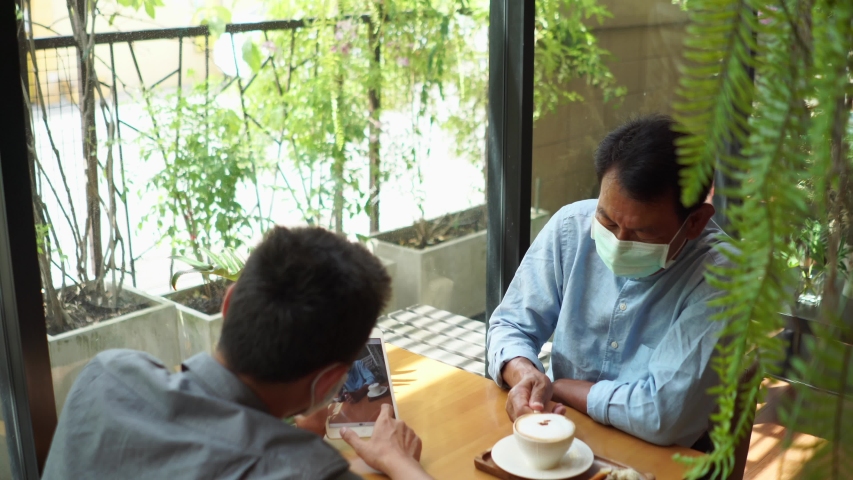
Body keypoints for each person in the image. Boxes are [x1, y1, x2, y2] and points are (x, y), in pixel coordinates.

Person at [43, 226, 433, 480]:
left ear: (228, 305)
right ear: (329, 381)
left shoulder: (107, 375)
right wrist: (399, 462)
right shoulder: (307, 470)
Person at [487, 114, 730, 448]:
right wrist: (525, 375)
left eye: (642, 232)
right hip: (564, 430)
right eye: (607, 220)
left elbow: (663, 415)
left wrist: (558, 388)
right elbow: (510, 324)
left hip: (665, 457)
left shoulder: (720, 275)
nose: (618, 241)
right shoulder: (572, 227)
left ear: (695, 222)